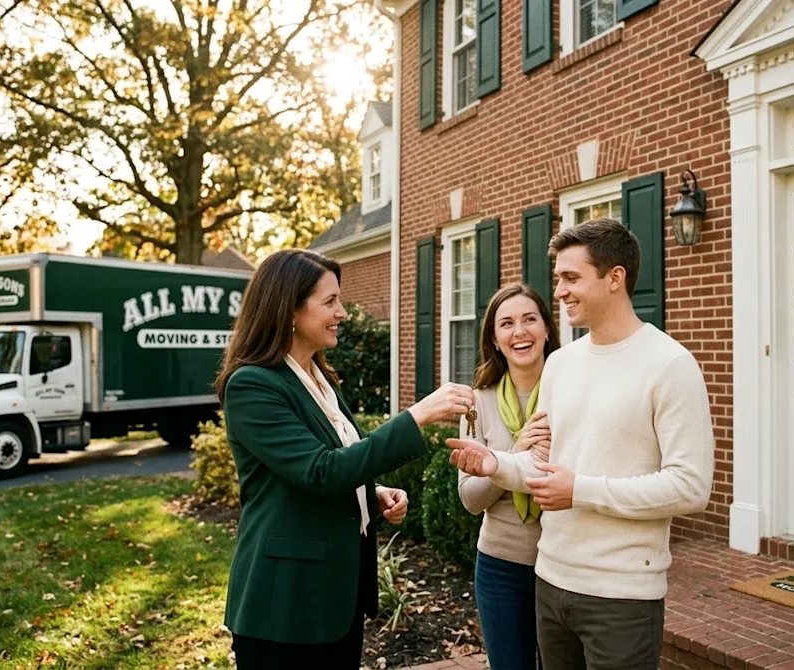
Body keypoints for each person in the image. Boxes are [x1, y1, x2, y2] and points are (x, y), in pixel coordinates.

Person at [448, 218, 715, 670]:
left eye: (571, 278)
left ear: (615, 278)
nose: (559, 292)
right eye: (558, 279)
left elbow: (690, 487)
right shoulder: (562, 365)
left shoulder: (670, 364)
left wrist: (581, 490)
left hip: (621, 595)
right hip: (550, 583)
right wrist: (496, 464)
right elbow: (545, 466)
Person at [216, 248, 476, 670]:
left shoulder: (319, 378)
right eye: (330, 301)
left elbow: (327, 466)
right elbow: (319, 471)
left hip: (335, 600)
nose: (343, 312)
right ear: (290, 309)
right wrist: (418, 415)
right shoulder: (253, 385)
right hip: (285, 605)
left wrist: (369, 494)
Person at [458, 284, 560, 670]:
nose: (520, 332)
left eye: (530, 319)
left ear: (547, 330)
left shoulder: (571, 392)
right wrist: (512, 456)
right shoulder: (476, 403)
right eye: (507, 323)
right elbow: (470, 499)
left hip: (563, 563)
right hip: (500, 565)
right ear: (495, 340)